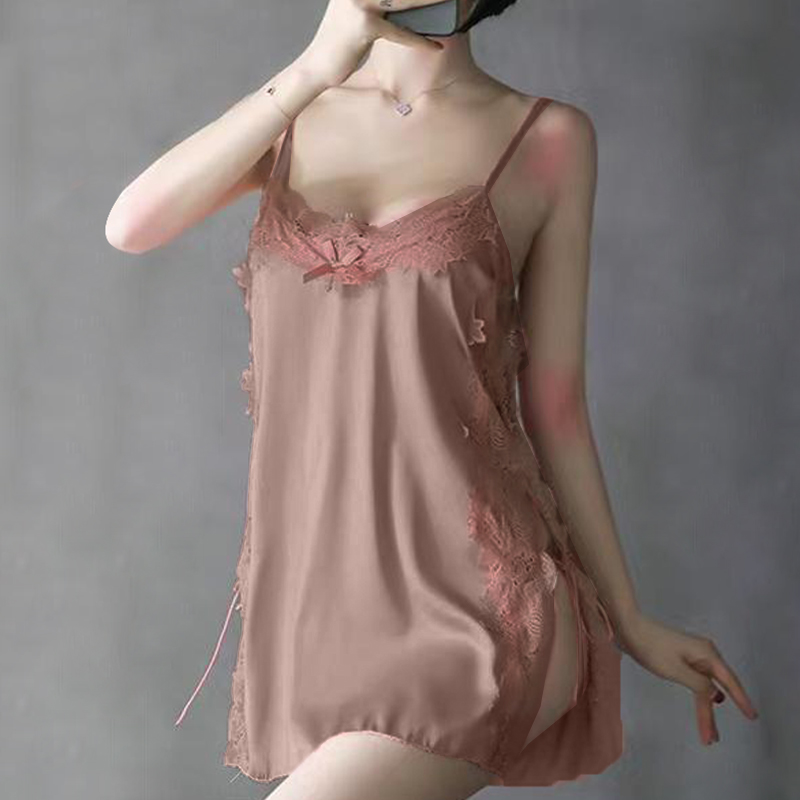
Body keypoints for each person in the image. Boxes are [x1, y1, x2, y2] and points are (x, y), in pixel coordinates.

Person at [106, 1, 759, 798]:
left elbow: (557, 406)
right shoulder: (292, 115)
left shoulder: (547, 138)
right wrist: (313, 69)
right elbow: (131, 225)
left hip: (482, 608)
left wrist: (629, 620)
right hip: (322, 615)